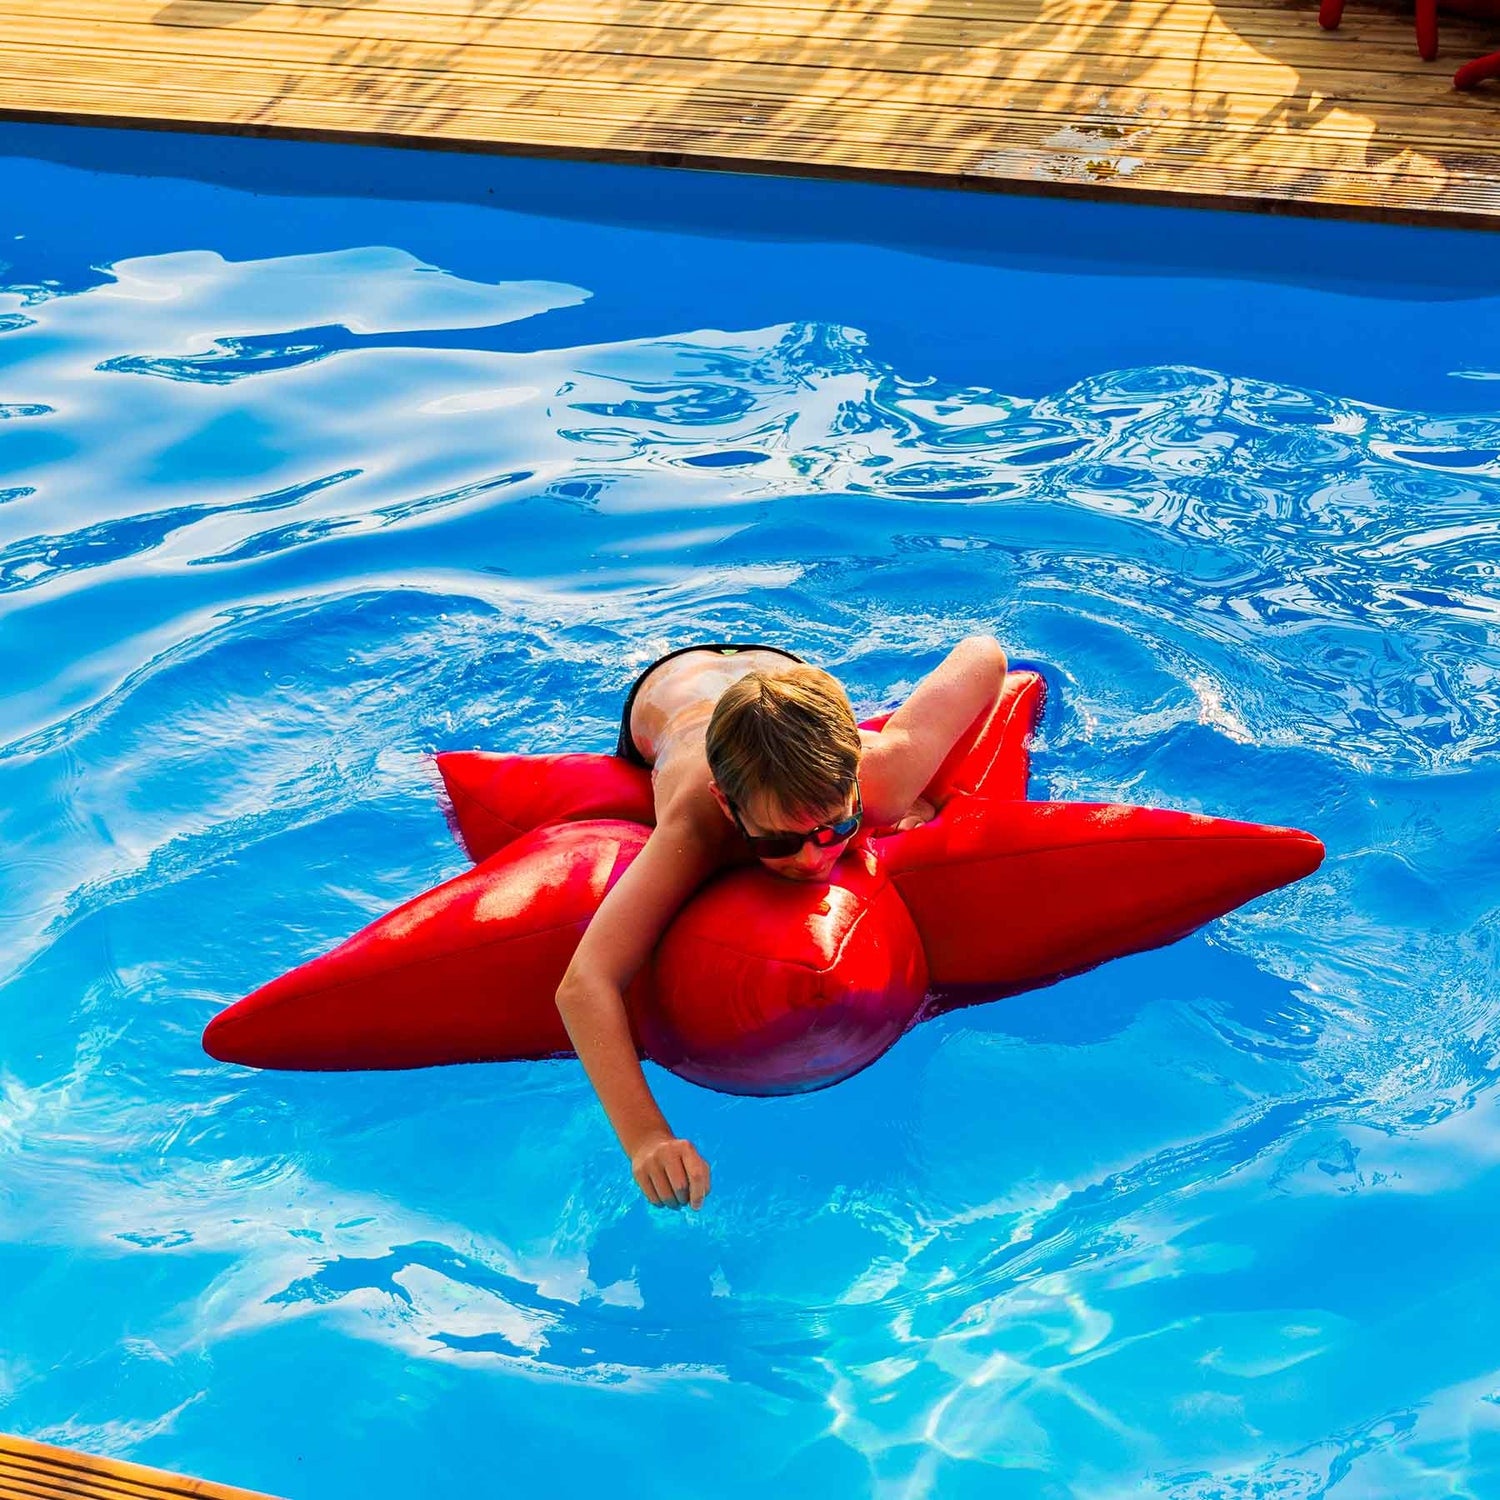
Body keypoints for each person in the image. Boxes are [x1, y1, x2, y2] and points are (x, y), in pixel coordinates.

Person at [555, 635, 1008, 1212]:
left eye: (835, 830)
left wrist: (919, 797)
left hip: (784, 674)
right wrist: (646, 1137)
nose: (812, 860)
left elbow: (985, 653)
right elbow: (584, 984)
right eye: (777, 842)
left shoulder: (883, 778)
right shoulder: (696, 824)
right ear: (728, 806)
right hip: (669, 691)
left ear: (854, 780)